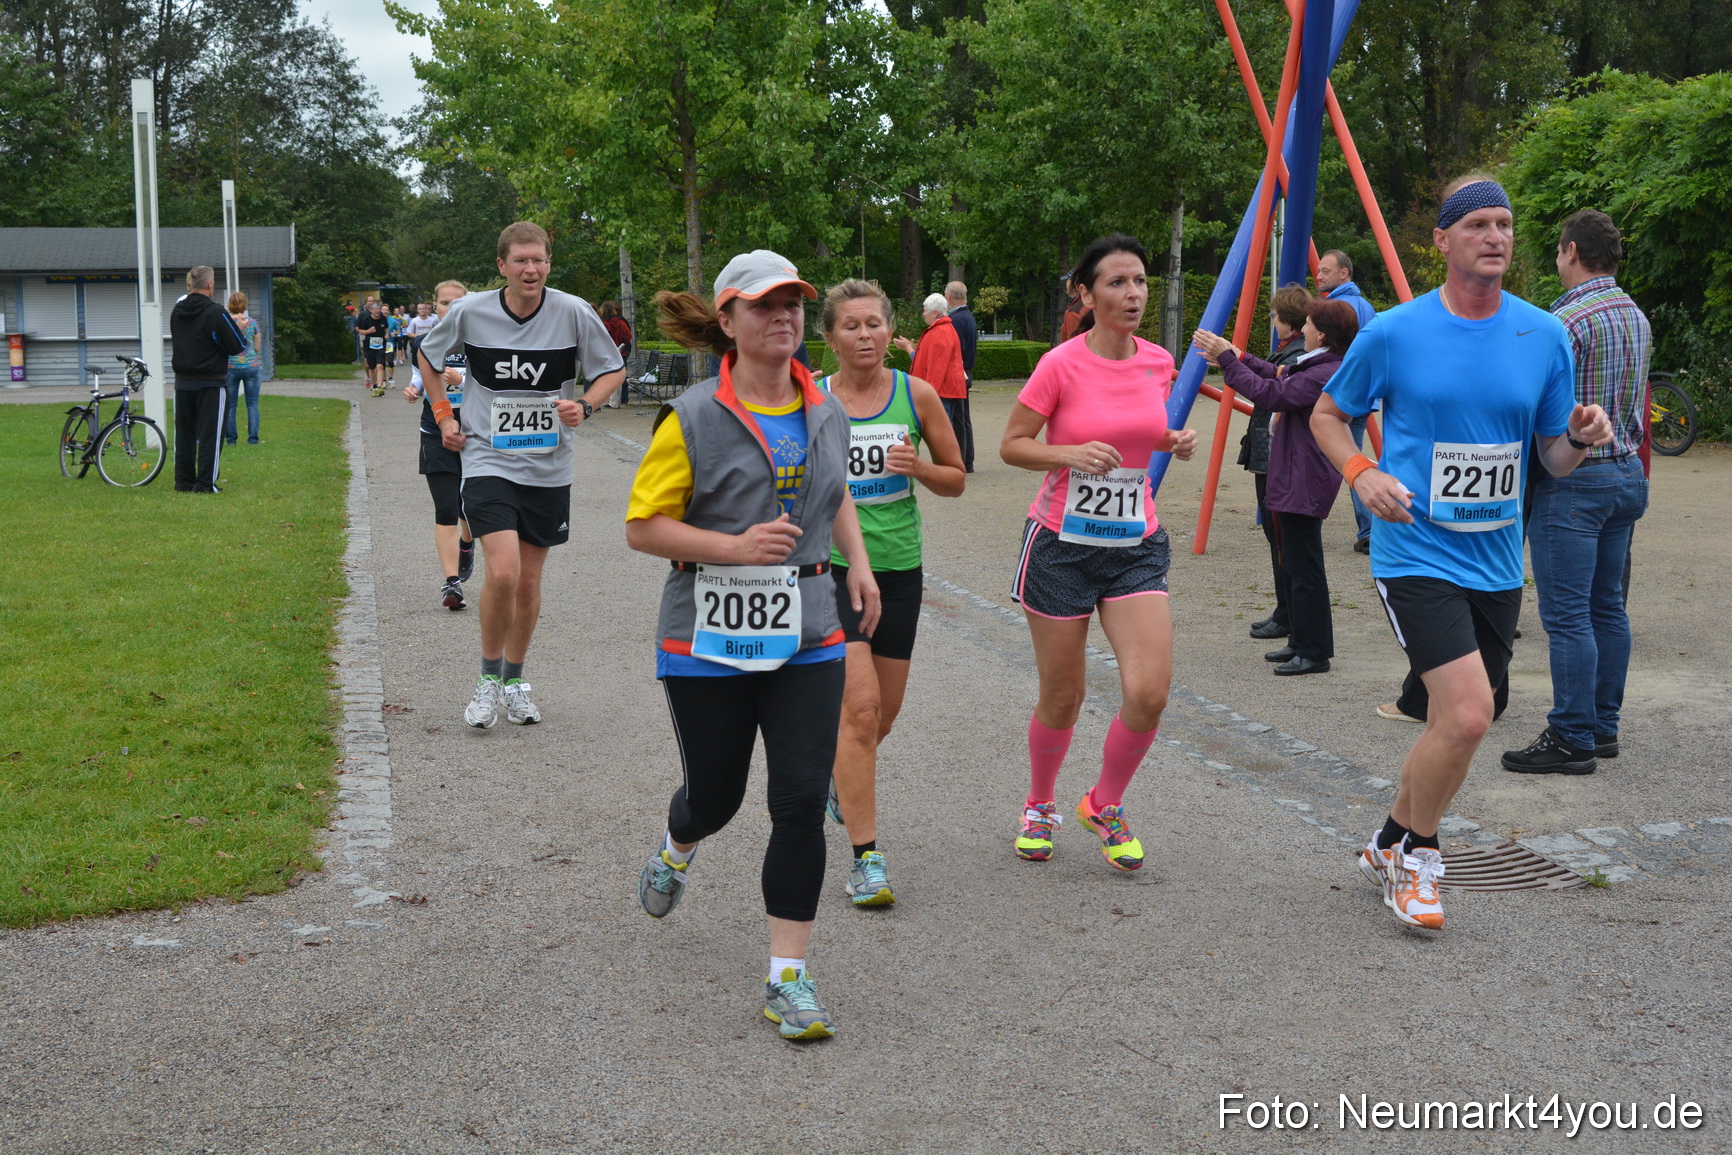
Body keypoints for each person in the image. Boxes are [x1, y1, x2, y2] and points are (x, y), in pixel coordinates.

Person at [1312, 175, 1613, 931]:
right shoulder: (1394, 332)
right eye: (1478, 223)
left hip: (1496, 559)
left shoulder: (1544, 334)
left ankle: (1385, 838)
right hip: (1414, 551)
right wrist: (1364, 472)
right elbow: (1326, 415)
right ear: (1443, 241)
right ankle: (1418, 859)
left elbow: (1550, 455)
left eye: (1505, 223)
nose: (1496, 237)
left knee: (1457, 717)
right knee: (1471, 714)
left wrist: (1578, 436)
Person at [626, 250, 880, 1042]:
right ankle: (677, 845)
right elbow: (642, 526)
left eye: (794, 303)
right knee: (719, 796)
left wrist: (858, 565)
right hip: (705, 633)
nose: (785, 317)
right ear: (729, 321)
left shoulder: (827, 408)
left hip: (808, 628)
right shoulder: (693, 414)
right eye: (765, 305)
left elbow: (832, 496)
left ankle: (787, 980)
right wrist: (732, 548)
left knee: (801, 803)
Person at [999, 233, 1199, 871]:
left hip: (1135, 543)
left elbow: (1138, 433)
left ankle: (1103, 803)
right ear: (1085, 294)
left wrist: (1172, 440)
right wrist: (1068, 453)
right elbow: (1013, 444)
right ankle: (1039, 803)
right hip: (1061, 544)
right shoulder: (1059, 363)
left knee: (1149, 692)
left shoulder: (1158, 361)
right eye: (1116, 282)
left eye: (1139, 281)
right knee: (1065, 695)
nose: (1133, 293)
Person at [416, 221, 626, 727]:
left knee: (528, 584)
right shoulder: (471, 311)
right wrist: (445, 415)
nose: (531, 269)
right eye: (521, 261)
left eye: (539, 260)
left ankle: (514, 679)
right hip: (488, 457)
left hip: (549, 465)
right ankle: (487, 680)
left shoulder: (573, 312)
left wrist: (587, 406)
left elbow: (613, 369)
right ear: (502, 266)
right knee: (504, 571)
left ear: (549, 264)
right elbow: (426, 356)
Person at [815, 278, 966, 908]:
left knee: (885, 714)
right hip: (830, 571)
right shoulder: (812, 401)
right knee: (860, 710)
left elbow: (957, 479)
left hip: (900, 570)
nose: (865, 336)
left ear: (890, 328)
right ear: (829, 338)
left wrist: (920, 468)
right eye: (850, 326)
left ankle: (836, 776)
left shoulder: (918, 394)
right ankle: (865, 860)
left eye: (874, 324)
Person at [1501, 210, 1651, 775]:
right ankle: (1601, 726)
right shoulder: (1635, 315)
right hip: (1625, 475)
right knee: (1607, 605)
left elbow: (1530, 399)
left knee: (1567, 617)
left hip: (1575, 479)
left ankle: (1570, 736)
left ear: (1568, 251)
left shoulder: (1561, 319)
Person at [1196, 297, 1359, 675]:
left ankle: (1315, 651)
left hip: (1304, 477)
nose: (1303, 330)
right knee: (1294, 563)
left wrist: (1228, 361)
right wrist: (1239, 356)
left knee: (1304, 568)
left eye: (1309, 325)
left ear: (1324, 333)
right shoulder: (1318, 364)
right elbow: (1278, 375)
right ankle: (1301, 641)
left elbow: (1276, 395)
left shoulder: (1325, 371)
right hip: (1296, 474)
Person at [1230, 285, 1312, 641]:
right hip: (1269, 452)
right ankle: (1285, 610)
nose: (1272, 320)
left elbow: (1270, 390)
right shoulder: (1288, 353)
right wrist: (1240, 357)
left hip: (1277, 455)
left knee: (1281, 540)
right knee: (1276, 539)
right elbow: (1268, 373)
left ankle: (1290, 614)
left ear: (1287, 320)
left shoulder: (1296, 356)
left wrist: (1230, 362)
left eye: (1275, 315)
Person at [402, 279, 476, 611]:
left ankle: (467, 542)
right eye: (444, 303)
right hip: (435, 433)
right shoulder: (424, 341)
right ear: (435, 306)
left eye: (456, 303)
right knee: (446, 507)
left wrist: (463, 380)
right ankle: (452, 583)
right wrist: (414, 389)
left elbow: (499, 386)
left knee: (470, 507)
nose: (449, 309)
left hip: (477, 434)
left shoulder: (483, 341)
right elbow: (420, 375)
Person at [1316, 250, 1377, 552]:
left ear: (1344, 274)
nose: (1319, 275)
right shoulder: (1365, 306)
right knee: (1353, 457)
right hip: (1361, 397)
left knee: (1334, 458)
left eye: (1326, 270)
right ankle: (1369, 529)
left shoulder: (1335, 309)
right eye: (1318, 270)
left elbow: (1327, 356)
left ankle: (1367, 528)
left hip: (1337, 397)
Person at [170, 265, 245, 493]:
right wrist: (239, 328)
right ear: (210, 285)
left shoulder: (177, 311)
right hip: (211, 381)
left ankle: (183, 481)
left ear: (189, 284)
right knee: (210, 435)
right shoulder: (216, 312)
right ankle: (204, 484)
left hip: (182, 381)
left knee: (184, 434)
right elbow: (236, 346)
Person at [894, 295, 967, 463]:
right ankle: (949, 463)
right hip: (943, 389)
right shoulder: (939, 330)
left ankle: (948, 464)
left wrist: (929, 393)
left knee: (942, 430)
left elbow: (937, 368)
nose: (923, 314)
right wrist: (908, 347)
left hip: (942, 390)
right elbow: (926, 362)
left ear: (934, 312)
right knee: (944, 428)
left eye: (925, 310)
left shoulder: (940, 332)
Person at [945, 280, 978, 472]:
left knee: (959, 417)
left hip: (960, 372)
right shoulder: (968, 316)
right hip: (967, 370)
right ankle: (968, 460)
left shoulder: (956, 320)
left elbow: (956, 350)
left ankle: (963, 460)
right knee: (963, 416)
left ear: (949, 297)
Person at [222, 292, 263, 446]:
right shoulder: (253, 323)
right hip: (251, 367)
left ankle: (231, 440)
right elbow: (258, 347)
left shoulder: (226, 322)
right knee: (252, 404)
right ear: (245, 304)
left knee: (230, 406)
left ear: (230, 305)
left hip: (231, 367)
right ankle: (253, 439)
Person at [597, 300, 633, 406]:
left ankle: (613, 401)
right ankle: (622, 399)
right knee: (622, 374)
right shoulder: (620, 321)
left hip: (608, 352)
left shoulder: (602, 323)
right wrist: (622, 345)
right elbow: (628, 335)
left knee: (610, 375)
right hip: (621, 351)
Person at [355, 299, 391, 397]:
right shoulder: (366, 319)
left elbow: (386, 327)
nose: (377, 311)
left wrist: (386, 334)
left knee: (380, 366)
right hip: (369, 344)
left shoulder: (383, 318)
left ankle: (379, 387)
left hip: (381, 344)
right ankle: (374, 385)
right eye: (375, 309)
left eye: (379, 309)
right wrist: (368, 331)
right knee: (371, 368)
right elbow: (358, 329)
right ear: (371, 310)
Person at [1058, 275, 1090, 342]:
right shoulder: (1092, 303)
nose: (1066, 283)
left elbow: (1073, 343)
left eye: (1069, 280)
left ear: (1076, 285)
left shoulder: (1074, 311)